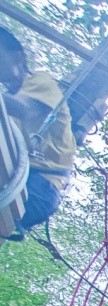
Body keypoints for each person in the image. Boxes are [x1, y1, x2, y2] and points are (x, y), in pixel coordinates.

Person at [0, 28, 76, 235]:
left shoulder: (40, 81)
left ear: (18, 56)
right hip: (18, 175)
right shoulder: (7, 100)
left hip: (41, 184)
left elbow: (25, 109)